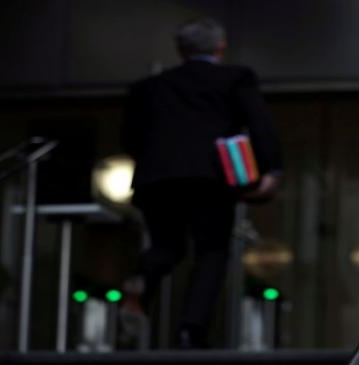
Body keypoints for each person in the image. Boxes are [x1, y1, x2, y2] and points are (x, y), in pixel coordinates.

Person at [120, 18, 282, 349]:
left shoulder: (148, 87)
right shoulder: (236, 77)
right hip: (211, 179)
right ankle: (190, 330)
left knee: (165, 247)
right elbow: (259, 124)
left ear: (181, 50)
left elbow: (129, 138)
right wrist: (271, 171)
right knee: (211, 252)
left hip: (157, 180)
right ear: (220, 46)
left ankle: (140, 281)